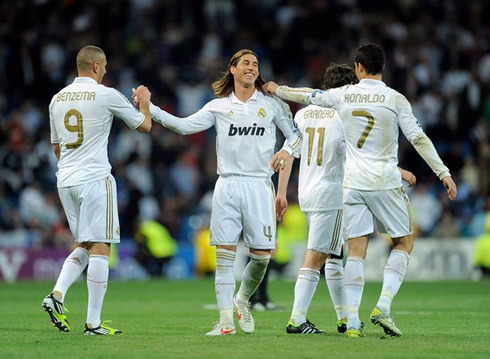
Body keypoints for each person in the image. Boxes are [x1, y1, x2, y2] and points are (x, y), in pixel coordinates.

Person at [265, 43, 457, 338]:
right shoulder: (390, 100)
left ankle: (348, 319)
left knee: (346, 252)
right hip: (364, 184)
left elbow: (306, 100)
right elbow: (412, 138)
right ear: (382, 67)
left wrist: (279, 90)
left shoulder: (324, 107)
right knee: (399, 242)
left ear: (359, 67)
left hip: (333, 187)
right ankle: (359, 309)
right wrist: (438, 172)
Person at [133, 49, 302, 336]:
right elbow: (185, 126)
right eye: (246, 63)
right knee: (224, 256)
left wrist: (286, 150)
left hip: (260, 185)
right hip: (228, 185)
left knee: (262, 257)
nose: (252, 67)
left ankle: (242, 300)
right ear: (233, 70)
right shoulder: (218, 107)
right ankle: (225, 322)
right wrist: (151, 108)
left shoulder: (272, 105)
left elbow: (296, 135)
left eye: (256, 64)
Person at [276, 64, 417, 335]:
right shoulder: (343, 114)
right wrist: (398, 171)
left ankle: (344, 317)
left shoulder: (303, 113)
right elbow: (360, 153)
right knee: (316, 256)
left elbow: (288, 152)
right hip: (332, 192)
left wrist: (282, 193)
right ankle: (297, 319)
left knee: (334, 254)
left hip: (307, 191)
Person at [42, 45, 152, 335]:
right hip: (94, 178)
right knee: (101, 246)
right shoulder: (106, 94)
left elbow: (56, 147)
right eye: (103, 67)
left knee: (84, 244)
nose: (105, 71)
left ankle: (57, 295)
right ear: (95, 67)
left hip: (65, 179)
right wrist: (145, 101)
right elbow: (144, 127)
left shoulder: (57, 99)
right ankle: (92, 323)